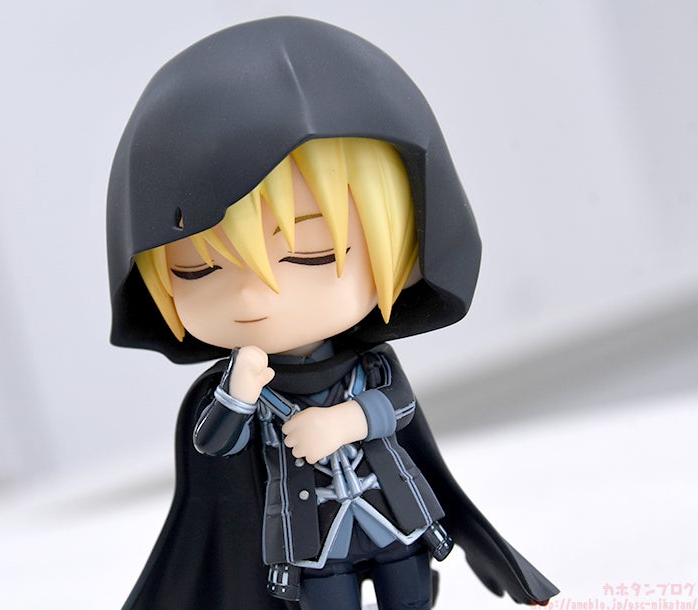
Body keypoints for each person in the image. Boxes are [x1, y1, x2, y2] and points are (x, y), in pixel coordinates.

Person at [107, 16, 558, 610]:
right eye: (198, 271)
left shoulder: (370, 366)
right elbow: (213, 447)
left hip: (395, 519)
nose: (254, 299)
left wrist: (346, 422)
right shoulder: (237, 389)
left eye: (312, 255)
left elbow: (399, 405)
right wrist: (239, 394)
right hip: (313, 544)